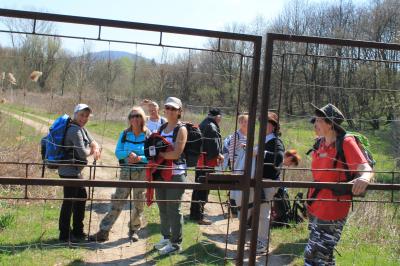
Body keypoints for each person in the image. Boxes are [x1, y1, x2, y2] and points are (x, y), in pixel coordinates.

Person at [305, 103, 373, 265]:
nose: (315, 124)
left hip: (333, 208)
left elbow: (365, 168)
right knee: (325, 257)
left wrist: (364, 177)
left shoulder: (346, 142)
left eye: (320, 121)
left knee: (314, 256)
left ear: (331, 124)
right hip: (315, 206)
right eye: (315, 120)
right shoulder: (320, 143)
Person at [90, 106, 149, 242]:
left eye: (138, 116)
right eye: (132, 116)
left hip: (142, 172)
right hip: (126, 171)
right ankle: (104, 231)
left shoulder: (148, 135)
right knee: (118, 200)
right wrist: (128, 155)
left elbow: (152, 155)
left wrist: (140, 158)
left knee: (139, 202)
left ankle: (134, 230)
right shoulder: (124, 134)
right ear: (129, 119)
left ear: (142, 118)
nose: (135, 119)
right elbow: (118, 152)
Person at [58, 103, 101, 242]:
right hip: (69, 171)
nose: (84, 118)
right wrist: (92, 150)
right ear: (75, 114)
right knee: (69, 202)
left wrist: (94, 144)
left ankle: (78, 231)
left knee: (81, 197)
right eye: (82, 115)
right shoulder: (74, 131)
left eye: (87, 116)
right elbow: (82, 153)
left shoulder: (80, 128)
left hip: (73, 170)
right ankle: (65, 235)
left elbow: (91, 139)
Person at [153, 97, 187, 255]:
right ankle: (166, 237)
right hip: (160, 173)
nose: (170, 111)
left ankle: (175, 243)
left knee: (174, 209)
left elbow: (176, 153)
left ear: (179, 111)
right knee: (162, 207)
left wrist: (159, 155)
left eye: (174, 108)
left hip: (176, 174)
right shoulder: (162, 127)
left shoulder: (181, 129)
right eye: (168, 107)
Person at [189, 108, 224, 225]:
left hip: (200, 161)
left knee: (198, 187)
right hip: (206, 163)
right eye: (220, 116)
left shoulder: (204, 123)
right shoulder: (211, 127)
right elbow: (213, 147)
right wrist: (220, 155)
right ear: (217, 116)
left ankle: (194, 214)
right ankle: (199, 216)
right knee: (203, 189)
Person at [256, 111, 285, 253]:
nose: (262, 125)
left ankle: (262, 243)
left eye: (266, 123)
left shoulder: (275, 141)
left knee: (263, 213)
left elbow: (279, 158)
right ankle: (259, 240)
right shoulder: (265, 140)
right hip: (260, 181)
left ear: (273, 126)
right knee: (258, 212)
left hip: (268, 182)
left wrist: (262, 153)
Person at [227, 114, 248, 216]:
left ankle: (240, 206)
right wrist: (232, 163)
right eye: (243, 121)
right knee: (234, 184)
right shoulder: (237, 134)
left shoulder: (249, 135)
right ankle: (232, 207)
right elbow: (231, 149)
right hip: (236, 163)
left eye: (247, 122)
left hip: (244, 163)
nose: (245, 124)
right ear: (240, 123)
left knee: (241, 184)